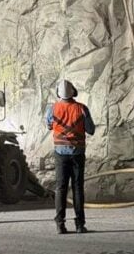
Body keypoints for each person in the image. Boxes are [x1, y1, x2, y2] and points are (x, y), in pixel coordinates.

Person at [45, 79, 96, 234]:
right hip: (78, 154)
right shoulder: (82, 109)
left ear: (58, 93)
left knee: (60, 188)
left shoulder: (52, 109)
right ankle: (80, 224)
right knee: (77, 188)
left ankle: (60, 224)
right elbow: (91, 130)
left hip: (60, 154)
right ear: (73, 91)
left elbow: (48, 125)